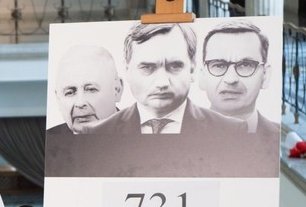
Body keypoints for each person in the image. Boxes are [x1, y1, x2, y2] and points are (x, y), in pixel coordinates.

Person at [87, 22, 246, 135]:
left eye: (175, 66)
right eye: (147, 68)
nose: (162, 83)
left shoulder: (231, 131)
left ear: (192, 69)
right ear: (127, 70)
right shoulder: (96, 134)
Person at [199, 20, 279, 134]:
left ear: (265, 75)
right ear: (202, 76)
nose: (231, 79)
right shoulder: (180, 137)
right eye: (219, 65)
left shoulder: (280, 138)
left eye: (245, 65)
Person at [47, 44, 123, 134]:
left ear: (117, 89)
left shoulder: (137, 133)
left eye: (91, 89)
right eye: (70, 93)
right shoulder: (49, 139)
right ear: (58, 99)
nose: (80, 103)